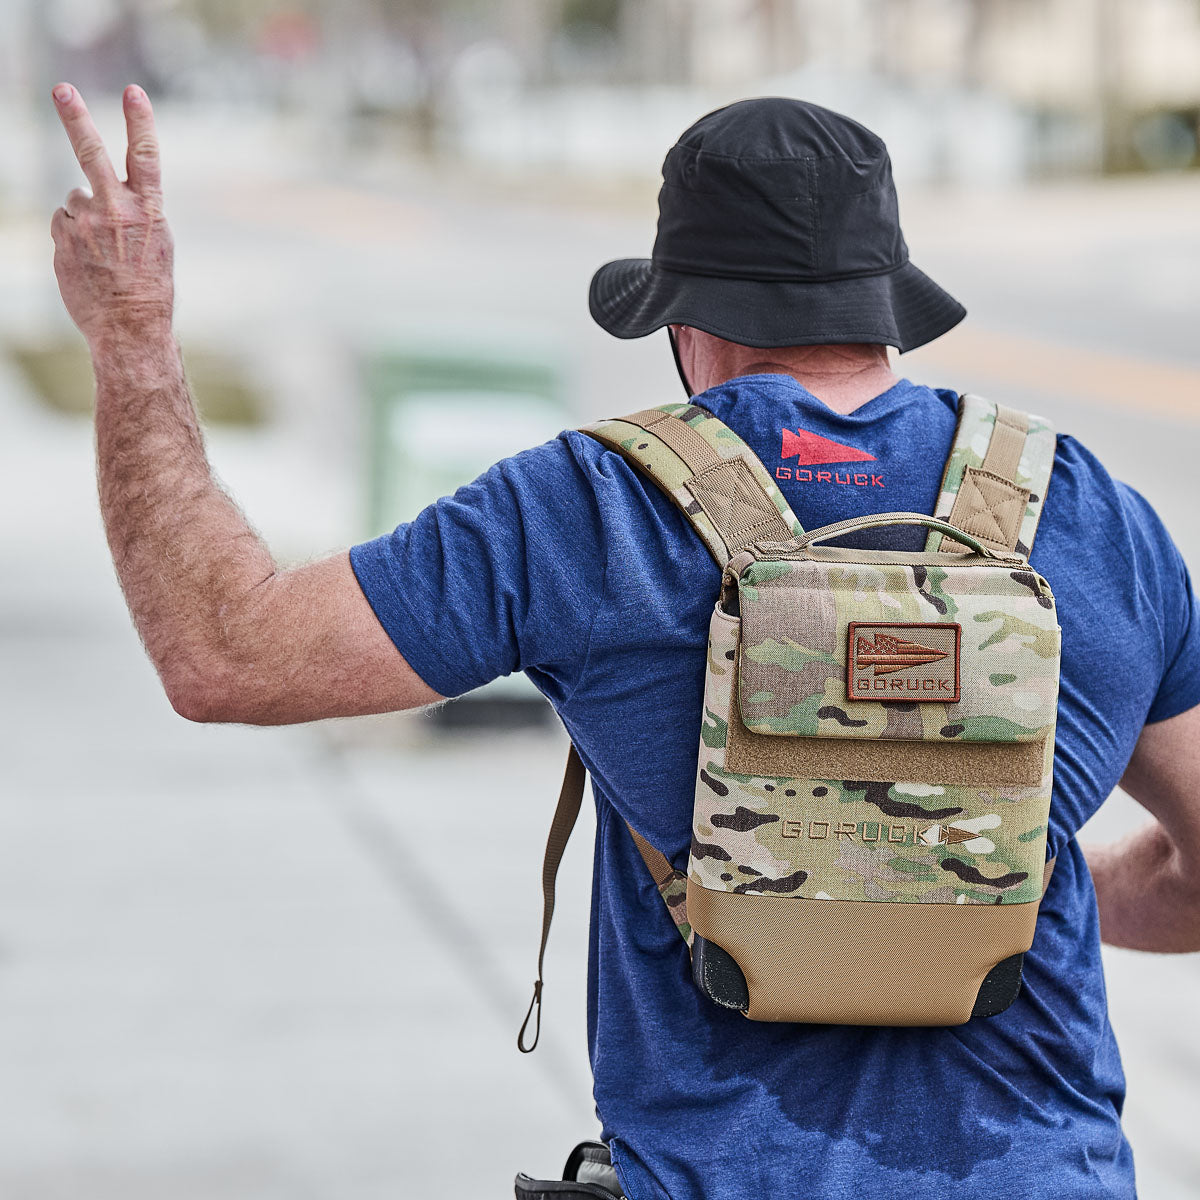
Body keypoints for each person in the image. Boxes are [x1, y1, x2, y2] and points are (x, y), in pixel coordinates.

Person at [49, 83, 1200, 1200]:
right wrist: (978, 880)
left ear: (686, 326)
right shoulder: (1096, 517)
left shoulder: (590, 508)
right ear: (884, 306)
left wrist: (132, 338)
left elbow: (223, 652)